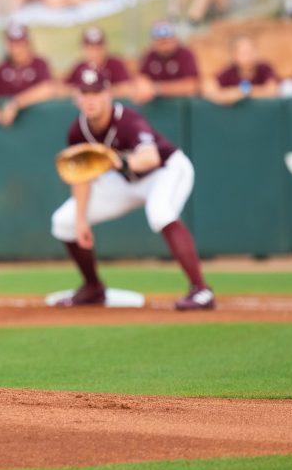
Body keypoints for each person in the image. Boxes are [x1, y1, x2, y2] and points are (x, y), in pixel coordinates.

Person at [49, 68, 215, 310]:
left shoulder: (127, 121)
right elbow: (81, 177)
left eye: (96, 92)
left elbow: (151, 158)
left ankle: (201, 290)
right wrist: (81, 219)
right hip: (126, 181)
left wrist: (122, 161)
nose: (90, 99)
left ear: (108, 94)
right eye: (84, 93)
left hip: (166, 171)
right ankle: (93, 288)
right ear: (76, 97)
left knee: (160, 212)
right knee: (64, 221)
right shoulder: (78, 130)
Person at [0, 23, 55, 126]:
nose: (17, 49)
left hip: (36, 126)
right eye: (13, 44)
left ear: (28, 43)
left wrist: (16, 103)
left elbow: (48, 88)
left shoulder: (39, 64)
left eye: (20, 43)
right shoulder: (3, 66)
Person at [134, 21, 199, 103]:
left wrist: (157, 89)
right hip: (157, 108)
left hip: (182, 107)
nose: (164, 44)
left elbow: (192, 85)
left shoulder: (185, 54)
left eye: (167, 40)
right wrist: (142, 85)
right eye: (160, 41)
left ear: (174, 39)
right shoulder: (150, 55)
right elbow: (141, 78)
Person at [203, 35, 279, 105]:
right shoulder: (229, 71)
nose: (250, 56)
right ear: (234, 56)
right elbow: (209, 88)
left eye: (252, 51)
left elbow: (272, 90)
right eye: (244, 53)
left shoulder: (265, 68)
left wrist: (243, 92)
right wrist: (226, 97)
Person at [63, 26, 133, 98]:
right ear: (83, 49)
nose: (94, 53)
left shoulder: (115, 64)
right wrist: (77, 91)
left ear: (105, 47)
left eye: (98, 49)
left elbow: (127, 88)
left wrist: (103, 92)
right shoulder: (79, 67)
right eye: (90, 49)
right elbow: (63, 89)